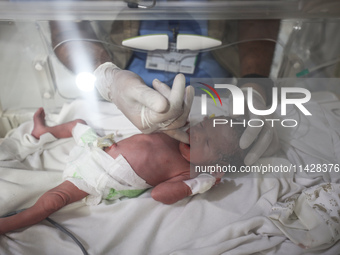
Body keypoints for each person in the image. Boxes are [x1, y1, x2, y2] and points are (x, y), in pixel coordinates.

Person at [49, 16, 281, 165]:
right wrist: (105, 75)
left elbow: (260, 11)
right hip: (120, 95)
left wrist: (254, 86)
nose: (198, 134)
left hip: (216, 92)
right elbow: (64, 19)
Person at [0, 106, 247, 235]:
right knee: (78, 124)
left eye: (205, 142)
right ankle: (42, 132)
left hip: (99, 176)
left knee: (52, 202)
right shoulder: (177, 130)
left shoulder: (189, 172)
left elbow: (161, 194)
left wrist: (197, 185)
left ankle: (9, 224)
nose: (195, 133)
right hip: (99, 146)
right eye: (201, 126)